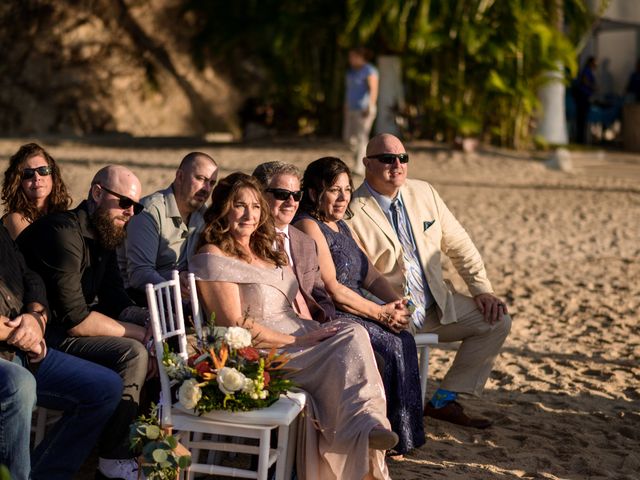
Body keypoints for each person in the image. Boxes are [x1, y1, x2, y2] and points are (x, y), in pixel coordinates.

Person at [191, 173, 396, 480]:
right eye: (239, 206)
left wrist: (310, 331)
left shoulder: (262, 249)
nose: (249, 215)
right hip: (258, 351)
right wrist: (296, 341)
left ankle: (364, 428)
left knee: (351, 331)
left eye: (255, 207)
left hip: (294, 335)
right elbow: (235, 323)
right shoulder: (213, 254)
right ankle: (362, 431)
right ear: (223, 209)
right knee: (350, 338)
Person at [346, 133, 512, 429]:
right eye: (387, 159)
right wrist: (383, 312)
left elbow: (460, 246)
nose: (396, 165)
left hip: (437, 306)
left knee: (496, 320)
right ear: (367, 163)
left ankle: (443, 401)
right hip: (390, 315)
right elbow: (356, 278)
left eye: (403, 158)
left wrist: (482, 290)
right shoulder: (351, 211)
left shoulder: (425, 193)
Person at [17, 165, 152, 480]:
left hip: (61, 334)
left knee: (155, 346)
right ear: (96, 193)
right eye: (124, 203)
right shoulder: (62, 232)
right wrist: (143, 335)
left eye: (137, 206)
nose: (131, 212)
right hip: (36, 339)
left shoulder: (104, 234)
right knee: (133, 353)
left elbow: (116, 299)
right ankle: (113, 460)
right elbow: (76, 320)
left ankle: (136, 447)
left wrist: (152, 321)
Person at [294, 157, 424, 455]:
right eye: (334, 190)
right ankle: (380, 433)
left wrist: (397, 303)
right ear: (314, 193)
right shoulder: (308, 224)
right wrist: (380, 313)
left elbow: (371, 273)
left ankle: (405, 435)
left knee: (403, 337)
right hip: (333, 311)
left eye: (347, 190)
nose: (342, 198)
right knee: (388, 345)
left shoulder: (341, 225)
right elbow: (332, 287)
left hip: (359, 304)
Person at [0, 224, 122, 480]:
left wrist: (35, 317)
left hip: (25, 345)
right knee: (19, 386)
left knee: (105, 387)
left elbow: (29, 276)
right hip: (12, 350)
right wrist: (21, 335)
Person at [120, 152, 218, 305]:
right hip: (140, 300)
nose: (206, 188)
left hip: (185, 300)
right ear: (180, 177)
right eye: (200, 179)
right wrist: (175, 286)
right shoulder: (149, 212)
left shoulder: (204, 215)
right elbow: (139, 274)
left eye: (212, 183)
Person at [252, 161, 335, 323]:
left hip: (315, 326)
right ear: (259, 195)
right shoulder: (248, 240)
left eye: (297, 195)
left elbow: (320, 294)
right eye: (282, 194)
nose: (291, 202)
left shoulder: (306, 243)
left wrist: (328, 324)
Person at [1, 143, 72, 240]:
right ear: (17, 182)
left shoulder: (62, 215)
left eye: (43, 170)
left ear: (53, 176)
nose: (37, 178)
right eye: (28, 173)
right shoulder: (15, 219)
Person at [344, 47, 379, 176]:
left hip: (364, 109)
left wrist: (370, 106)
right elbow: (349, 91)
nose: (350, 59)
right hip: (351, 109)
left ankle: (359, 167)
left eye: (353, 56)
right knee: (348, 138)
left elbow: (373, 89)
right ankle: (361, 161)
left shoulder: (369, 70)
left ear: (360, 57)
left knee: (361, 138)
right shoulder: (351, 72)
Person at [573, 56, 597, 144]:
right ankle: (580, 139)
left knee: (582, 119)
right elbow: (585, 81)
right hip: (583, 97)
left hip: (585, 97)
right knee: (581, 119)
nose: (596, 65)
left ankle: (581, 138)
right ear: (590, 63)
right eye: (595, 63)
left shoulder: (589, 71)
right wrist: (593, 87)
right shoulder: (586, 71)